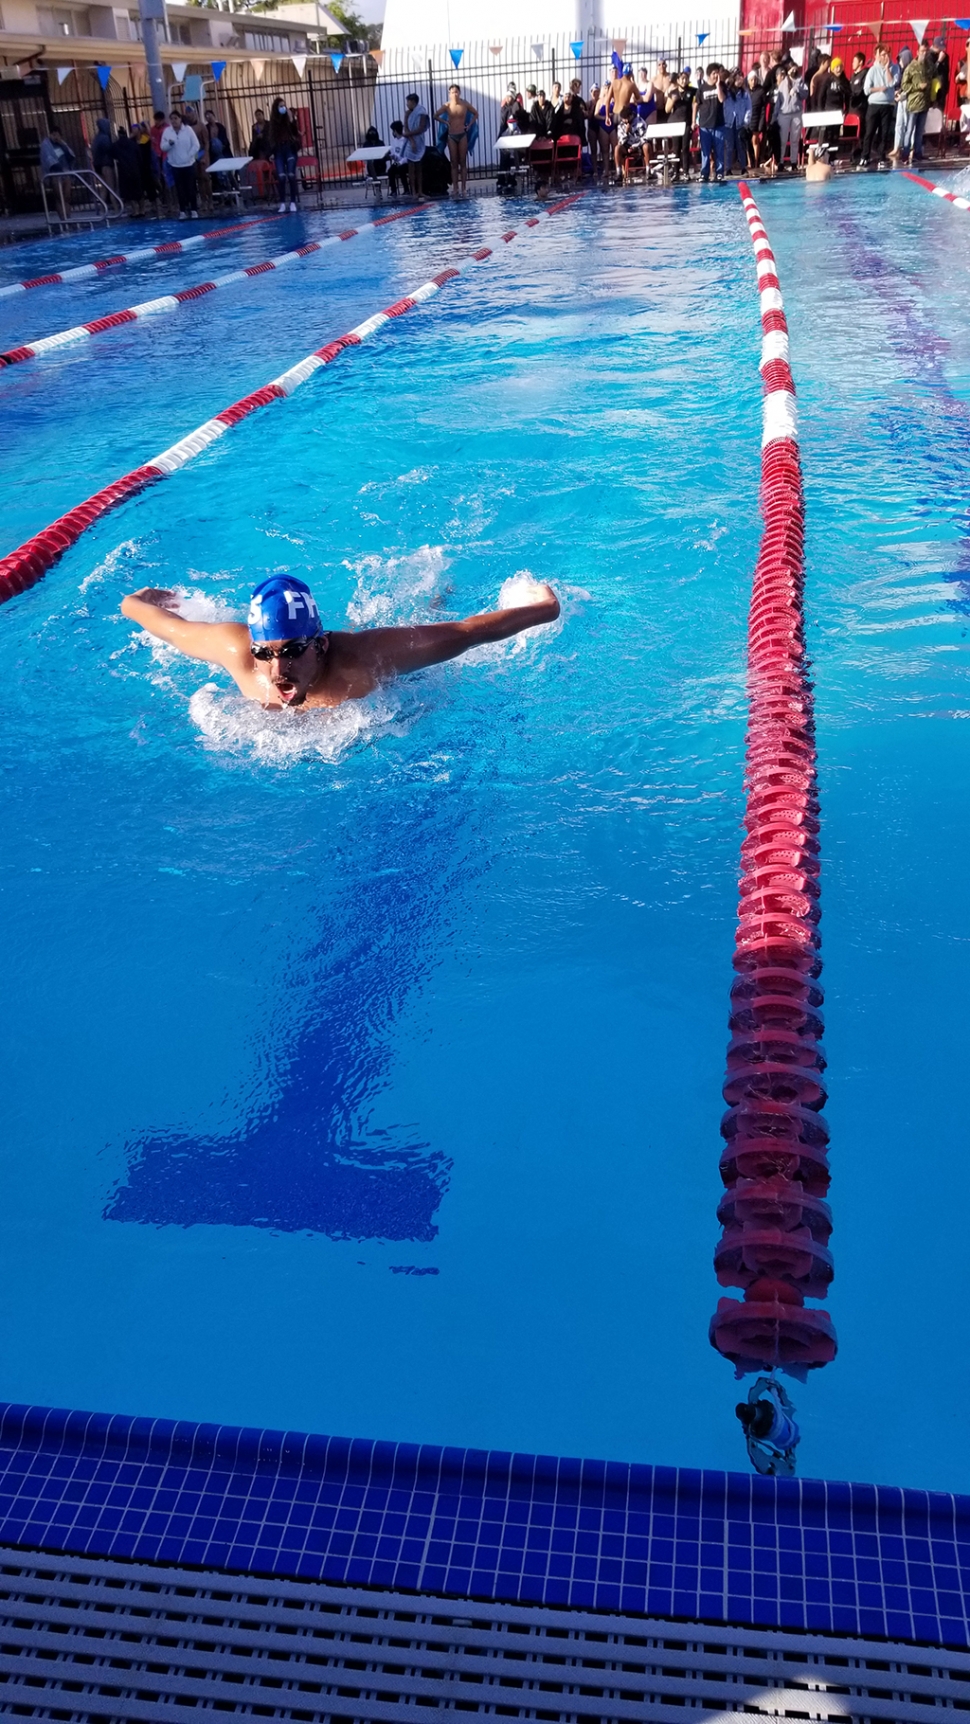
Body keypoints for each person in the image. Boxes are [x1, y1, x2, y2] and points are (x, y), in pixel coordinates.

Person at [120, 575, 561, 711]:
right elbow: (157, 621)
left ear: (321, 645)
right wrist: (142, 599)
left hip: (395, 667)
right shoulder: (236, 651)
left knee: (428, 623)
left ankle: (434, 589)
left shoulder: (364, 659)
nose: (277, 671)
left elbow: (471, 633)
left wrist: (545, 609)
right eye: (265, 653)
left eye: (292, 650)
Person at [434, 84, 478, 194]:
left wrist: (469, 125)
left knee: (462, 162)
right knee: (454, 162)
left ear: (460, 93)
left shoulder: (465, 104)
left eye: (456, 92)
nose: (455, 94)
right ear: (449, 94)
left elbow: (476, 114)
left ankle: (463, 187)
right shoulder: (447, 105)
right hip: (451, 136)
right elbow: (436, 115)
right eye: (452, 92)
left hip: (462, 134)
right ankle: (455, 187)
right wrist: (445, 122)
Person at [859, 44, 898, 169]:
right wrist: (878, 89)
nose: (886, 57)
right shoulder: (872, 70)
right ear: (878, 57)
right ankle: (865, 156)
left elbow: (892, 83)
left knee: (884, 132)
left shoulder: (895, 68)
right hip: (874, 105)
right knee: (869, 131)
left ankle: (882, 157)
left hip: (887, 105)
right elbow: (866, 90)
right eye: (883, 55)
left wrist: (887, 69)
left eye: (887, 54)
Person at [160, 109, 199, 218]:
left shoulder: (188, 130)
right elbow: (162, 147)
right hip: (175, 165)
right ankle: (182, 210)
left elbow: (196, 145)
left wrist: (189, 155)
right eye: (171, 119)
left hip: (189, 164)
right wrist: (169, 144)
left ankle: (194, 209)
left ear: (180, 119)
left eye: (176, 118)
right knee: (180, 189)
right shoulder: (167, 132)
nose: (174, 121)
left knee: (190, 188)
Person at [900, 39, 933, 165]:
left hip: (925, 103)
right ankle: (905, 153)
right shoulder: (911, 67)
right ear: (917, 51)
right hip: (914, 104)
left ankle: (918, 154)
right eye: (922, 51)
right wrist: (918, 86)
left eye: (926, 51)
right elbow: (904, 85)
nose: (924, 54)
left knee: (920, 131)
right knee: (909, 130)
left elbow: (934, 79)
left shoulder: (929, 65)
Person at [694, 63, 726, 182]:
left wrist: (718, 86)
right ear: (709, 74)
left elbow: (722, 99)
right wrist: (694, 121)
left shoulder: (722, 86)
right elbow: (696, 104)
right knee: (705, 151)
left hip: (718, 124)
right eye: (714, 73)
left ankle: (719, 172)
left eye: (718, 73)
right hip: (705, 124)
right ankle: (704, 173)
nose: (716, 75)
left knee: (719, 150)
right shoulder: (702, 88)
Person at [269, 96, 300, 212]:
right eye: (281, 106)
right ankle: (282, 203)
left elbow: (295, 133)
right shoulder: (273, 122)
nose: (283, 108)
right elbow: (271, 137)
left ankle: (292, 202)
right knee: (281, 176)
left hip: (289, 148)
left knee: (291, 175)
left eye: (284, 105)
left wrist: (292, 120)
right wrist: (272, 152)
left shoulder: (289, 118)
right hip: (279, 150)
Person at [773, 62, 806, 170]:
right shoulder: (783, 83)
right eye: (791, 69)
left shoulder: (800, 80)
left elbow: (805, 94)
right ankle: (781, 162)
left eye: (795, 69)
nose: (793, 71)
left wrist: (797, 89)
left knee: (795, 139)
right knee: (783, 139)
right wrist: (775, 115)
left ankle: (793, 162)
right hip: (784, 114)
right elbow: (778, 101)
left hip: (796, 113)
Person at [402, 91, 429, 196]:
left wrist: (409, 134)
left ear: (413, 102)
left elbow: (421, 128)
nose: (407, 104)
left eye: (408, 102)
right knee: (411, 168)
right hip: (410, 141)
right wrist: (411, 140)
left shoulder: (421, 112)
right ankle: (413, 191)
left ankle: (420, 191)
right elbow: (406, 127)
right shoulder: (407, 113)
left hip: (419, 140)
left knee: (419, 167)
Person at [132, 120, 159, 214]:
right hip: (137, 169)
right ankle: (141, 209)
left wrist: (146, 127)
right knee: (140, 190)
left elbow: (150, 137)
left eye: (135, 129)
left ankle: (155, 205)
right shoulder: (132, 141)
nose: (133, 131)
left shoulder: (145, 139)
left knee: (151, 188)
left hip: (147, 168)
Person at [114, 124, 143, 211]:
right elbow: (139, 156)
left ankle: (135, 210)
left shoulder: (116, 145)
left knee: (129, 193)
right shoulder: (133, 144)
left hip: (124, 171)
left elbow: (113, 155)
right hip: (135, 169)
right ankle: (142, 209)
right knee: (139, 191)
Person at [91, 116, 115, 189]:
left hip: (97, 165)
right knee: (111, 188)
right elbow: (109, 149)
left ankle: (103, 200)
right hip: (106, 164)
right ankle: (114, 201)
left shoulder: (96, 138)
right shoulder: (105, 138)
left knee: (104, 189)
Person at [387, 119, 409, 194]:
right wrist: (393, 156)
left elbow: (407, 156)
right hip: (397, 161)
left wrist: (400, 161)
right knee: (390, 171)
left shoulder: (405, 140)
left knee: (401, 169)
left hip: (405, 163)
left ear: (395, 131)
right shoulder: (394, 141)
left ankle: (406, 189)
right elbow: (394, 152)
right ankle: (393, 190)